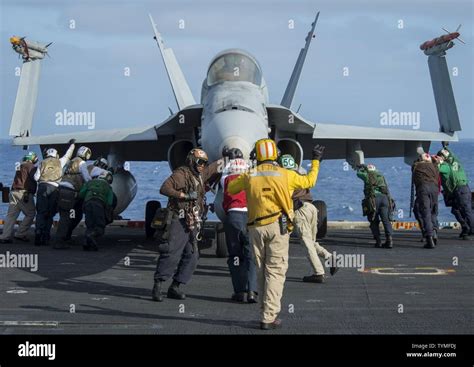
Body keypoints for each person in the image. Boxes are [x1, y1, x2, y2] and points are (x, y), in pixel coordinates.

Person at [227, 139, 324, 330]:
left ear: (257, 155)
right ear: (275, 155)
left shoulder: (250, 175)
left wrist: (238, 167)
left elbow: (231, 188)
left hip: (255, 228)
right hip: (277, 228)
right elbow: (309, 181)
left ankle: (265, 310)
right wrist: (316, 160)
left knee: (262, 270)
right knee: (276, 272)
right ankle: (268, 317)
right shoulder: (286, 174)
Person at [151, 148, 222, 302]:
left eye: (204, 162)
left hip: (193, 221)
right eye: (199, 162)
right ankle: (158, 285)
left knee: (192, 255)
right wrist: (184, 195)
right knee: (171, 252)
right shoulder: (181, 174)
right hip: (179, 219)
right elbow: (164, 188)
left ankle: (175, 286)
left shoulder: (201, 174)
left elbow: (214, 168)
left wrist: (228, 157)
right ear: (191, 161)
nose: (202, 165)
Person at [278, 154, 338, 283]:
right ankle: (330, 258)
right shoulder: (300, 174)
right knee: (311, 241)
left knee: (306, 243)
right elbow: (311, 179)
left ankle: (318, 273)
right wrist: (316, 161)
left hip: (300, 211)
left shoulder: (283, 178)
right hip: (311, 208)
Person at [221, 147, 257, 303]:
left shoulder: (226, 177)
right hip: (250, 216)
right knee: (251, 255)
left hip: (233, 216)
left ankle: (239, 291)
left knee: (235, 255)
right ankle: (252, 291)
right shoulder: (251, 174)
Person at [34, 140, 76, 246]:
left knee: (41, 212)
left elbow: (36, 177)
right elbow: (67, 156)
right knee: (50, 213)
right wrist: (72, 145)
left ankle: (38, 231)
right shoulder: (60, 162)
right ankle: (46, 236)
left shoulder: (42, 162)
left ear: (47, 154)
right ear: (56, 154)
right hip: (55, 188)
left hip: (42, 187)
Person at [54, 146, 93, 249]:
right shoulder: (82, 163)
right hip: (70, 191)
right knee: (67, 218)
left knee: (71, 216)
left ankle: (65, 237)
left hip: (61, 189)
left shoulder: (70, 162)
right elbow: (87, 178)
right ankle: (59, 241)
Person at [0, 152, 38, 244]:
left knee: (11, 216)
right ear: (33, 159)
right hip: (23, 193)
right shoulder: (32, 167)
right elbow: (36, 178)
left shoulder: (20, 166)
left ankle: (5, 236)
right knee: (30, 214)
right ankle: (20, 233)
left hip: (13, 192)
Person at [437, 145, 473, 240]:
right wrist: (446, 147)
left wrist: (432, 161)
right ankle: (466, 228)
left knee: (466, 211)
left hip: (459, 191)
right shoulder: (455, 162)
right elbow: (451, 155)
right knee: (457, 210)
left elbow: (437, 168)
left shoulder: (446, 167)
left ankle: (471, 230)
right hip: (465, 189)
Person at [356, 164, 394, 248]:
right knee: (386, 220)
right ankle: (389, 240)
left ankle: (378, 241)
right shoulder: (380, 174)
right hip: (385, 199)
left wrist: (362, 168)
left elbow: (358, 173)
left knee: (373, 220)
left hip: (373, 199)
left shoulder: (366, 174)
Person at [78, 172, 114, 251]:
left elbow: (81, 194)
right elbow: (110, 202)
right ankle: (91, 236)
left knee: (89, 225)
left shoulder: (90, 182)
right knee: (99, 226)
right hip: (98, 204)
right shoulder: (108, 186)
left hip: (87, 204)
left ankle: (86, 242)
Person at [412, 153, 440, 249]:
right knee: (433, 212)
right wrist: (433, 159)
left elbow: (414, 166)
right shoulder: (434, 166)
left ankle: (429, 239)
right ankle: (435, 232)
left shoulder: (417, 166)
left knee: (426, 213)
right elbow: (437, 167)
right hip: (434, 188)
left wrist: (421, 158)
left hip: (423, 188)